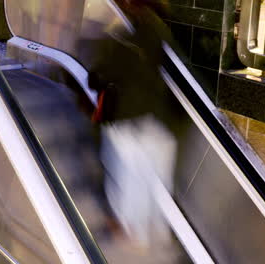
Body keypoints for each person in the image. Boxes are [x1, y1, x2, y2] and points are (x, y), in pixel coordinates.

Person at [88, 0, 183, 250]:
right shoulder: (161, 29)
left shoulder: (121, 36)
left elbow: (98, 76)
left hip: (125, 116)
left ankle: (129, 229)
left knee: (124, 172)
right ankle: (157, 229)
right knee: (153, 175)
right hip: (154, 114)